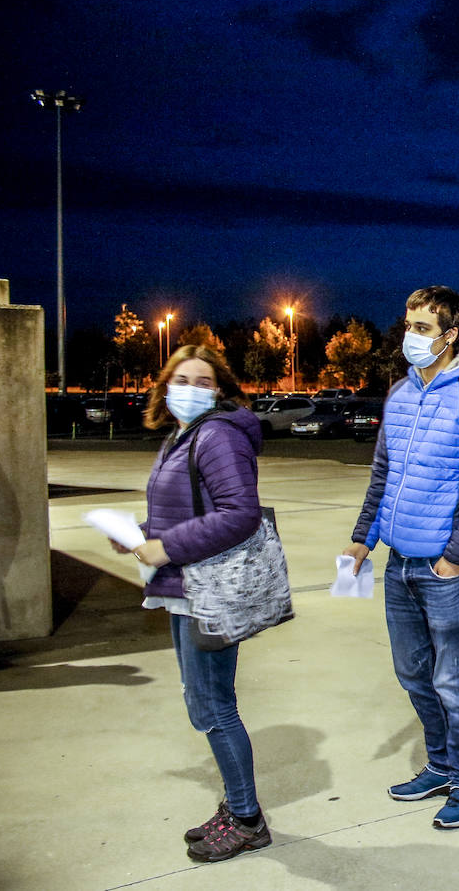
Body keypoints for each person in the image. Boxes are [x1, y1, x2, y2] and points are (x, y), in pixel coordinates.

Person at [344, 286, 459, 830]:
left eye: (422, 327)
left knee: (456, 682)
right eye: (408, 325)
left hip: (445, 565)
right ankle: (439, 765)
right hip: (399, 562)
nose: (410, 336)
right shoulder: (399, 395)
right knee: (413, 673)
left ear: (450, 334)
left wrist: (456, 558)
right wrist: (362, 536)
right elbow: (381, 475)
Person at [110, 345, 270, 862]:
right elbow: (184, 510)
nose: (191, 389)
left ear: (220, 390)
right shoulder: (183, 436)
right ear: (163, 385)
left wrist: (166, 547)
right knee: (204, 703)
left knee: (214, 707)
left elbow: (240, 514)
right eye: (182, 379)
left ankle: (247, 820)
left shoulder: (218, 436)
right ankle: (236, 804)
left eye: (203, 381)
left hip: (209, 588)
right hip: (184, 585)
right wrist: (139, 535)